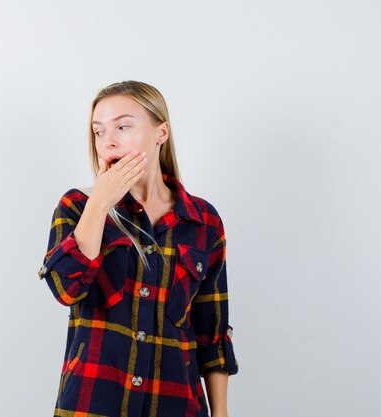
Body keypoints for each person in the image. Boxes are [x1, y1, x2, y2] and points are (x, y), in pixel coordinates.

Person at [38, 80, 239, 417]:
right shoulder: (77, 207)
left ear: (161, 132)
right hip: (92, 405)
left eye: (123, 126)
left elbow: (212, 333)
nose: (109, 141)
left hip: (176, 406)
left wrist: (220, 414)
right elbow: (65, 288)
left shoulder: (203, 221)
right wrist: (100, 202)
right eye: (99, 131)